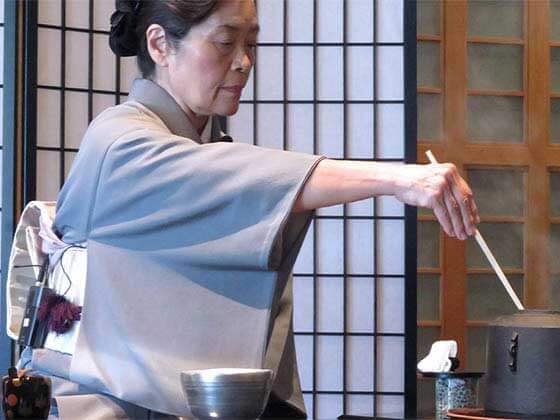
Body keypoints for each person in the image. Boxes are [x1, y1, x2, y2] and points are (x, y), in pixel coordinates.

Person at [17, 0, 479, 418]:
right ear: (159, 44)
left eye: (251, 44)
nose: (243, 62)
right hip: (98, 402)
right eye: (225, 43)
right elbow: (229, 175)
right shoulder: (120, 142)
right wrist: (396, 178)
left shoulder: (199, 144)